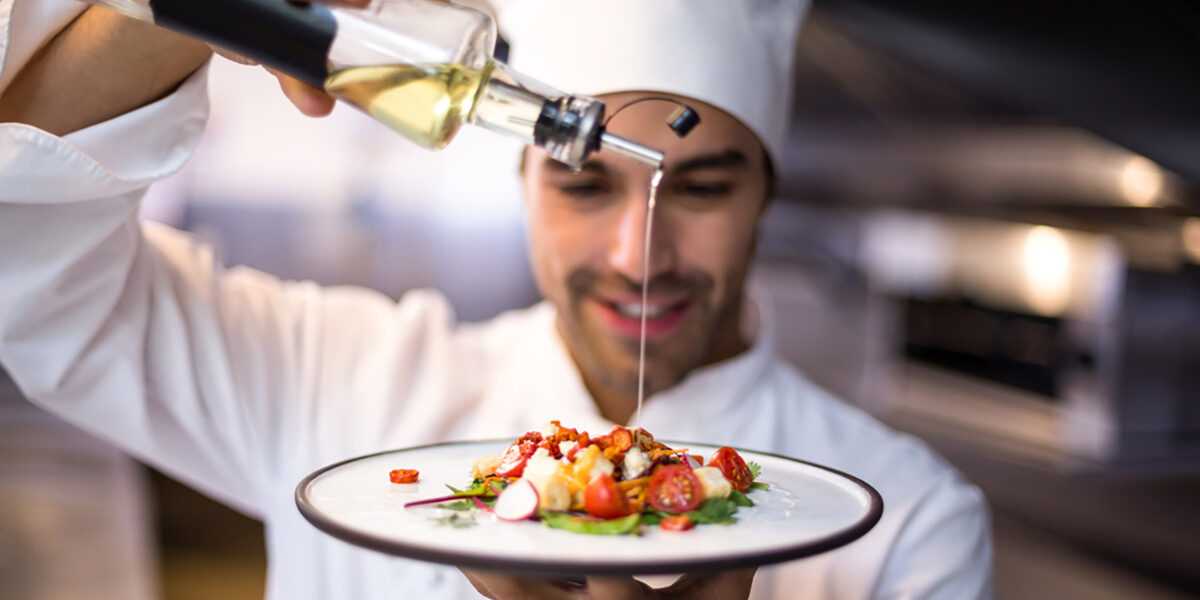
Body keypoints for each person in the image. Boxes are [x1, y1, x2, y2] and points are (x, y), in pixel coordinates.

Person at [0, 0, 994, 598]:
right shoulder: (338, 383)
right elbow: (31, 267)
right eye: (583, 182)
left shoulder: (904, 522)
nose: (637, 254)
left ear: (768, 191)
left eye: (701, 188)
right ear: (523, 178)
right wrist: (155, 15)